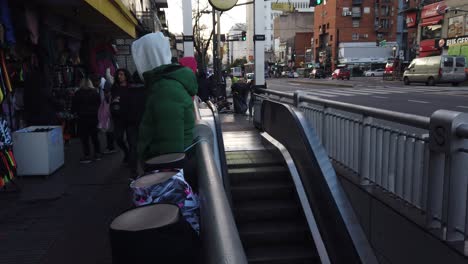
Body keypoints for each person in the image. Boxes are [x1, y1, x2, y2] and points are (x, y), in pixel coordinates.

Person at [131, 32, 198, 165]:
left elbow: (170, 148)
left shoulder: (165, 89)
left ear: (147, 58)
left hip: (165, 168)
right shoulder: (166, 84)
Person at [71, 78, 102, 163]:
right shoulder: (95, 92)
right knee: (94, 136)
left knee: (84, 138)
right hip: (93, 117)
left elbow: (74, 106)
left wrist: (73, 112)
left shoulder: (77, 93)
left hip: (82, 117)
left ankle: (87, 155)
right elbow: (99, 104)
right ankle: (97, 153)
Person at [110, 68, 132, 163]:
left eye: (122, 74)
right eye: (118, 74)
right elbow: (112, 100)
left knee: (131, 139)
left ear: (126, 76)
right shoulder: (115, 87)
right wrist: (112, 102)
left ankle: (131, 157)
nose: (119, 76)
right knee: (118, 138)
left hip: (130, 116)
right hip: (118, 117)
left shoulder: (131, 87)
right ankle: (126, 152)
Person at [91, 74, 116, 154]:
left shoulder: (106, 85)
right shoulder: (103, 85)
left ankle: (111, 147)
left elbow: (108, 99)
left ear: (97, 81)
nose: (93, 85)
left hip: (108, 111)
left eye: (94, 83)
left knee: (109, 129)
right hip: (107, 110)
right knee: (109, 129)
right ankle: (110, 146)